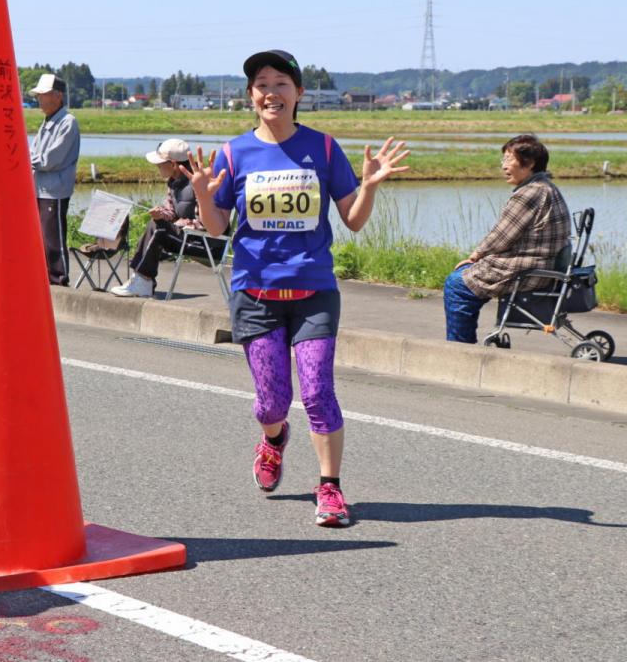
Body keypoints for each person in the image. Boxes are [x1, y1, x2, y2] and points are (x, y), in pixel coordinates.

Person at [182, 50, 409, 527]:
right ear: (251, 97)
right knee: (271, 402)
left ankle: (329, 489)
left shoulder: (323, 150)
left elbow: (353, 221)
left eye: (281, 83)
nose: (271, 92)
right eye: (261, 84)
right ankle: (274, 438)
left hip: (313, 293)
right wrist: (204, 193)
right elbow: (218, 227)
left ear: (299, 93)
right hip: (256, 294)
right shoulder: (233, 153)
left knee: (319, 391)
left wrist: (369, 186)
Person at [442, 134, 571, 344]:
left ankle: (460, 347)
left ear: (528, 163)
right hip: (542, 264)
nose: (504, 166)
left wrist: (475, 256)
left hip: (528, 268)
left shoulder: (529, 193)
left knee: (457, 284)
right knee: (463, 280)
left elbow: (500, 237)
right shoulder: (546, 187)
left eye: (509, 159)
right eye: (503, 160)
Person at [110, 138, 226, 298]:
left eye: (159, 163)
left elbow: (204, 223)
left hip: (206, 244)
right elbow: (171, 211)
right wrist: (161, 214)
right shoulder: (173, 183)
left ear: (173, 164)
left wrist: (173, 223)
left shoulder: (198, 183)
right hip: (187, 238)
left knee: (158, 228)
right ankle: (141, 279)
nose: (157, 167)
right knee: (157, 223)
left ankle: (143, 281)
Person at [29, 73, 80, 286]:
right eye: (39, 95)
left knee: (54, 238)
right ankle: (46, 277)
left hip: (55, 190)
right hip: (41, 188)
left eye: (43, 95)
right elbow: (36, 153)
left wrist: (26, 161)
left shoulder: (68, 122)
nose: (39, 99)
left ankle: (59, 279)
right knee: (41, 237)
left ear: (57, 96)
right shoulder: (48, 120)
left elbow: (51, 159)